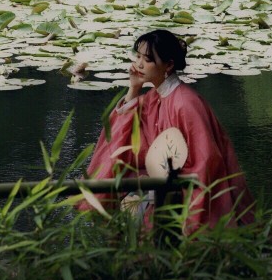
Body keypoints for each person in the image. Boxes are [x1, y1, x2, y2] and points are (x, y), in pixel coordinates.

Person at [81, 29, 256, 233]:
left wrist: (163, 184)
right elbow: (121, 133)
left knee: (134, 202)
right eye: (137, 57)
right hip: (163, 181)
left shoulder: (185, 103)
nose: (138, 64)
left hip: (185, 186)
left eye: (147, 59)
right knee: (129, 195)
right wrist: (134, 88)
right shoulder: (157, 96)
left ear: (169, 65)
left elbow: (206, 161)